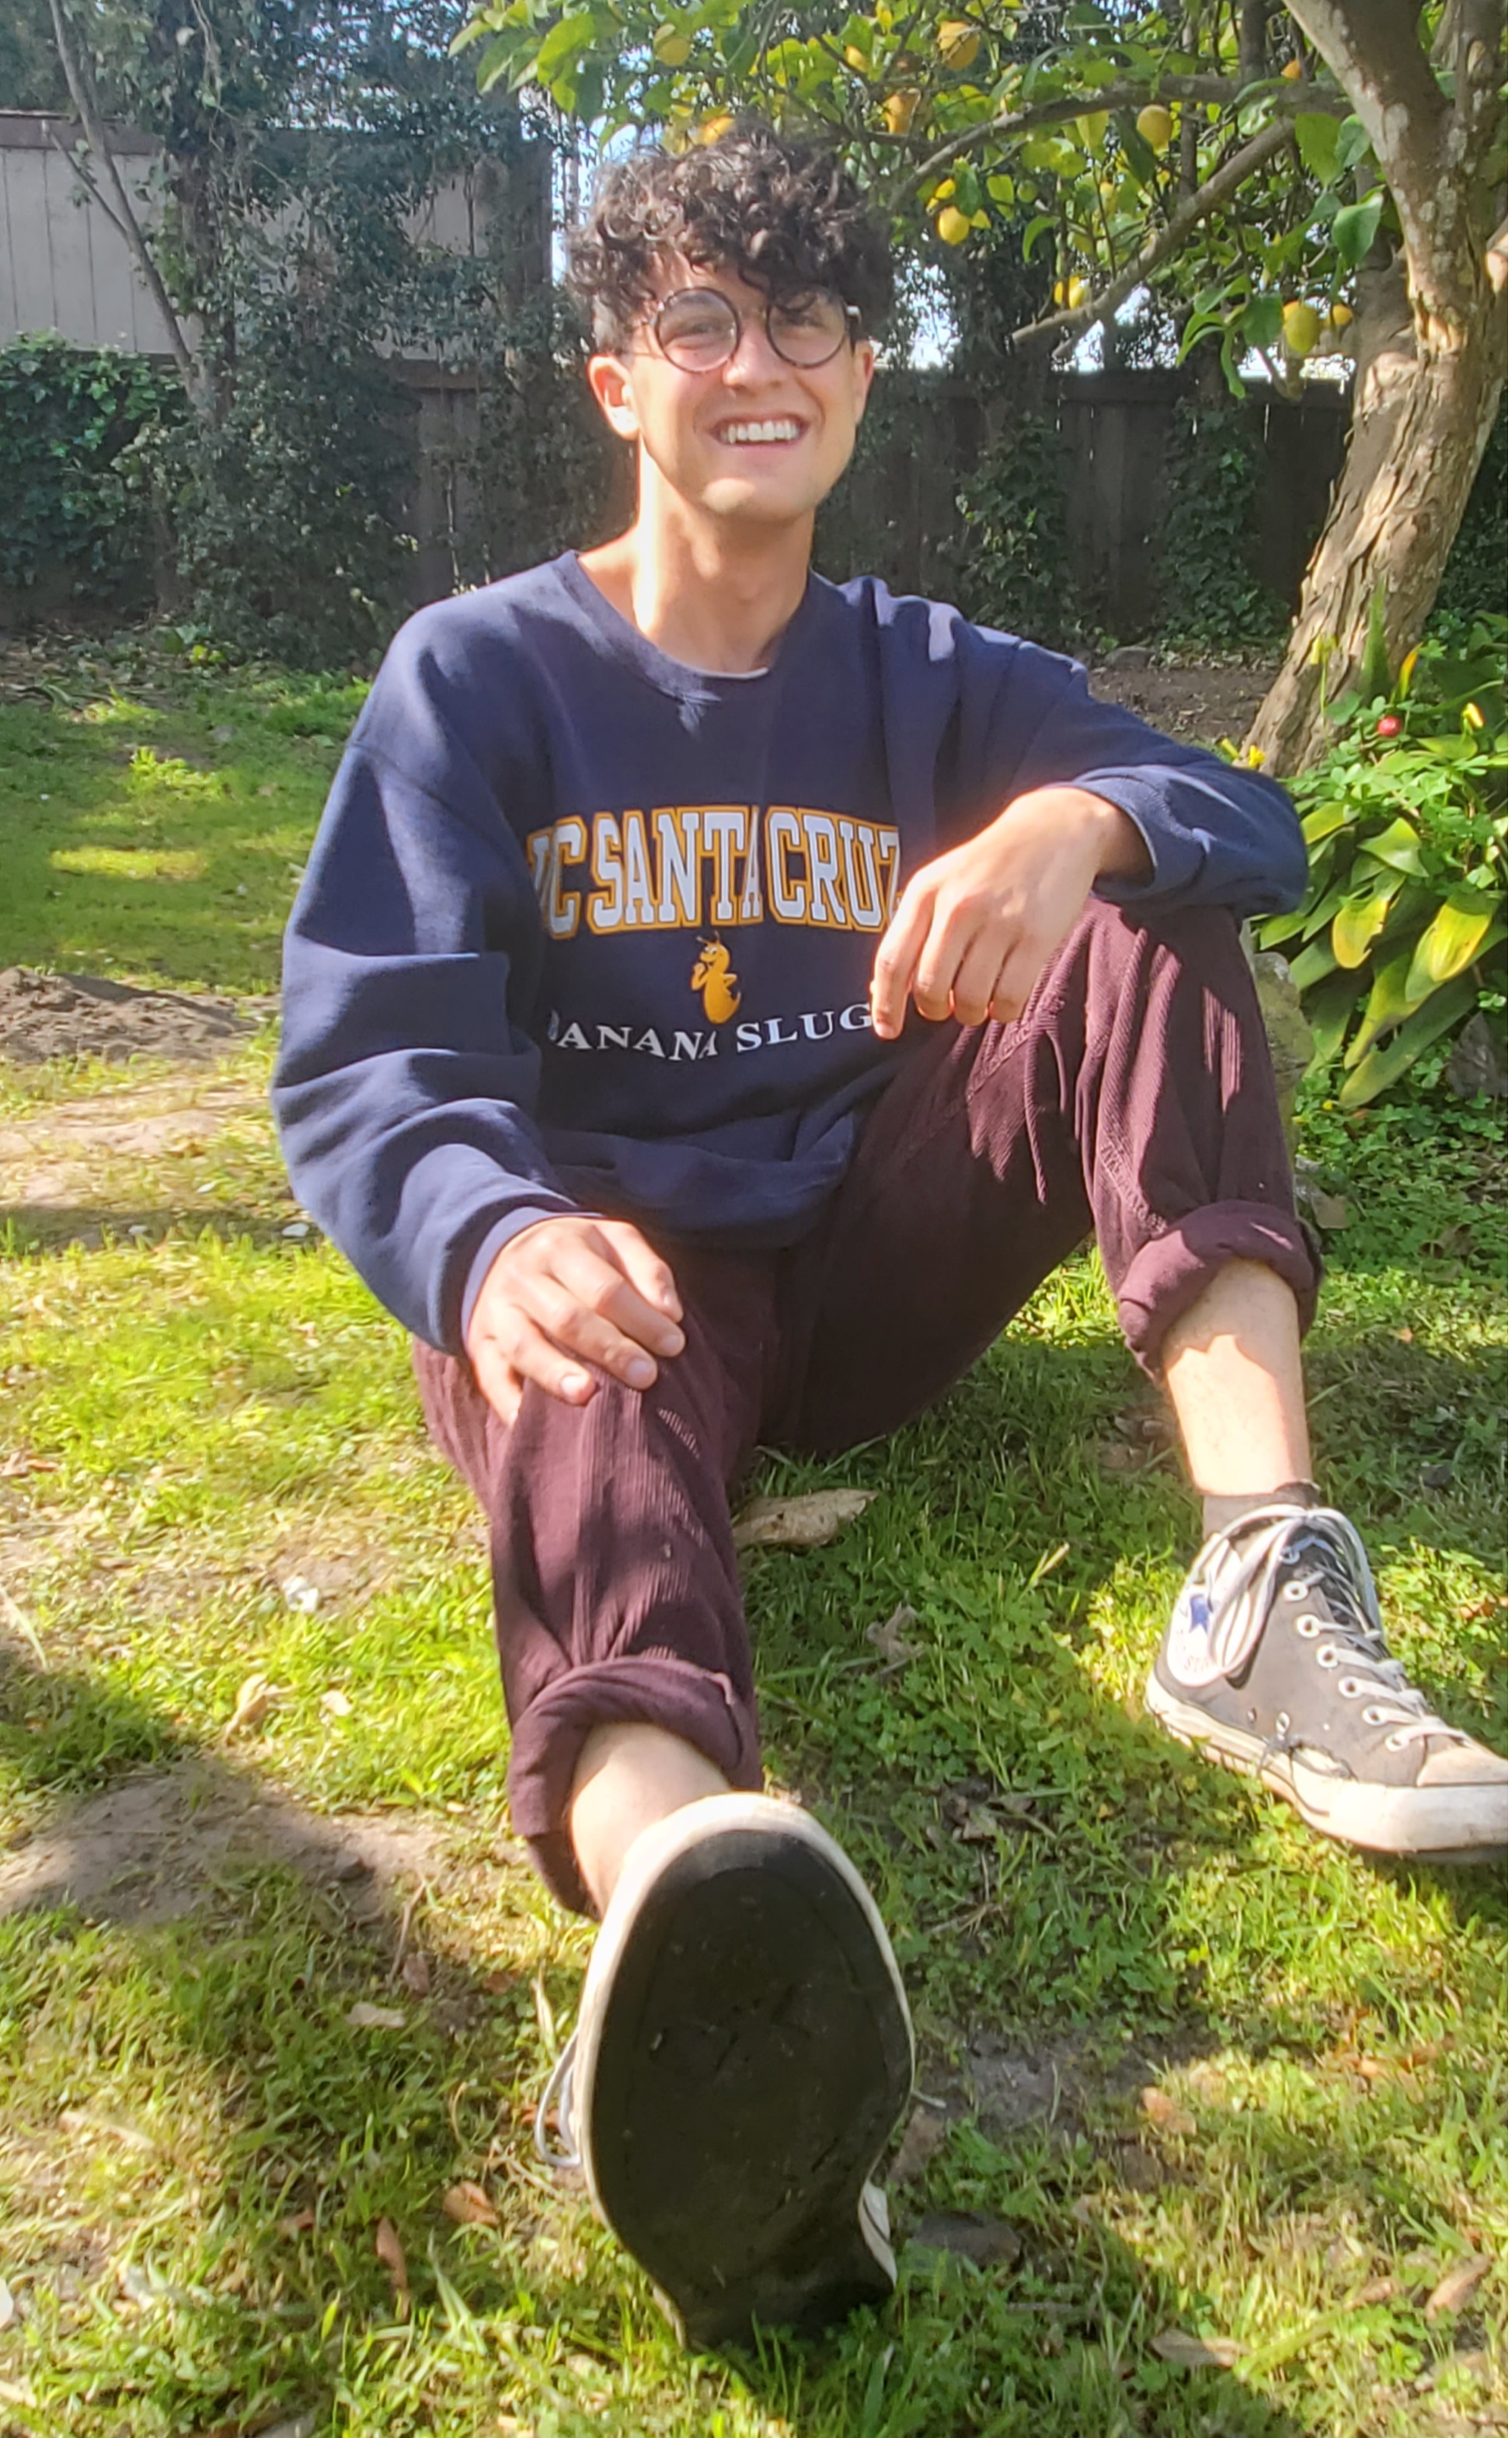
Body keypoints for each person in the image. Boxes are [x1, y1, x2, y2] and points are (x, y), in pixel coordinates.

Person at [273, 121, 1507, 2351]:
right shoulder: (475, 678)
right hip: (615, 1281)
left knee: (1150, 907)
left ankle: (1260, 1583)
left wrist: (1075, 819)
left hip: (864, 1264)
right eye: (702, 320)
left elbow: (1251, 818)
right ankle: (684, 1891)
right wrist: (483, 1234)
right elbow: (373, 1056)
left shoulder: (922, 666)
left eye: (807, 321)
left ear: (859, 377)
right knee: (576, 1349)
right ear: (617, 380)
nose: (760, 362)